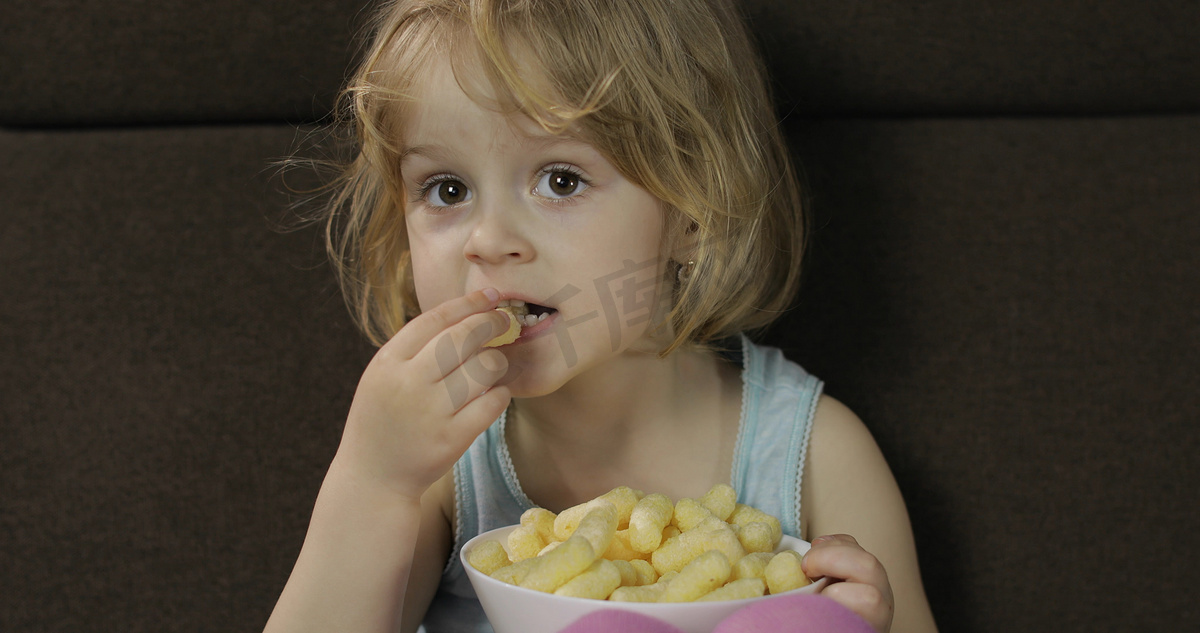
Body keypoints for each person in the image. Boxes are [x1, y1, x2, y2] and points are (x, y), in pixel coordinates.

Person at [264, 1, 938, 632]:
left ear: (693, 212)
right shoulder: (442, 458)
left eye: (561, 179)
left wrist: (852, 616)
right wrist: (374, 480)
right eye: (446, 189)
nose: (488, 238)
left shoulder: (818, 453)